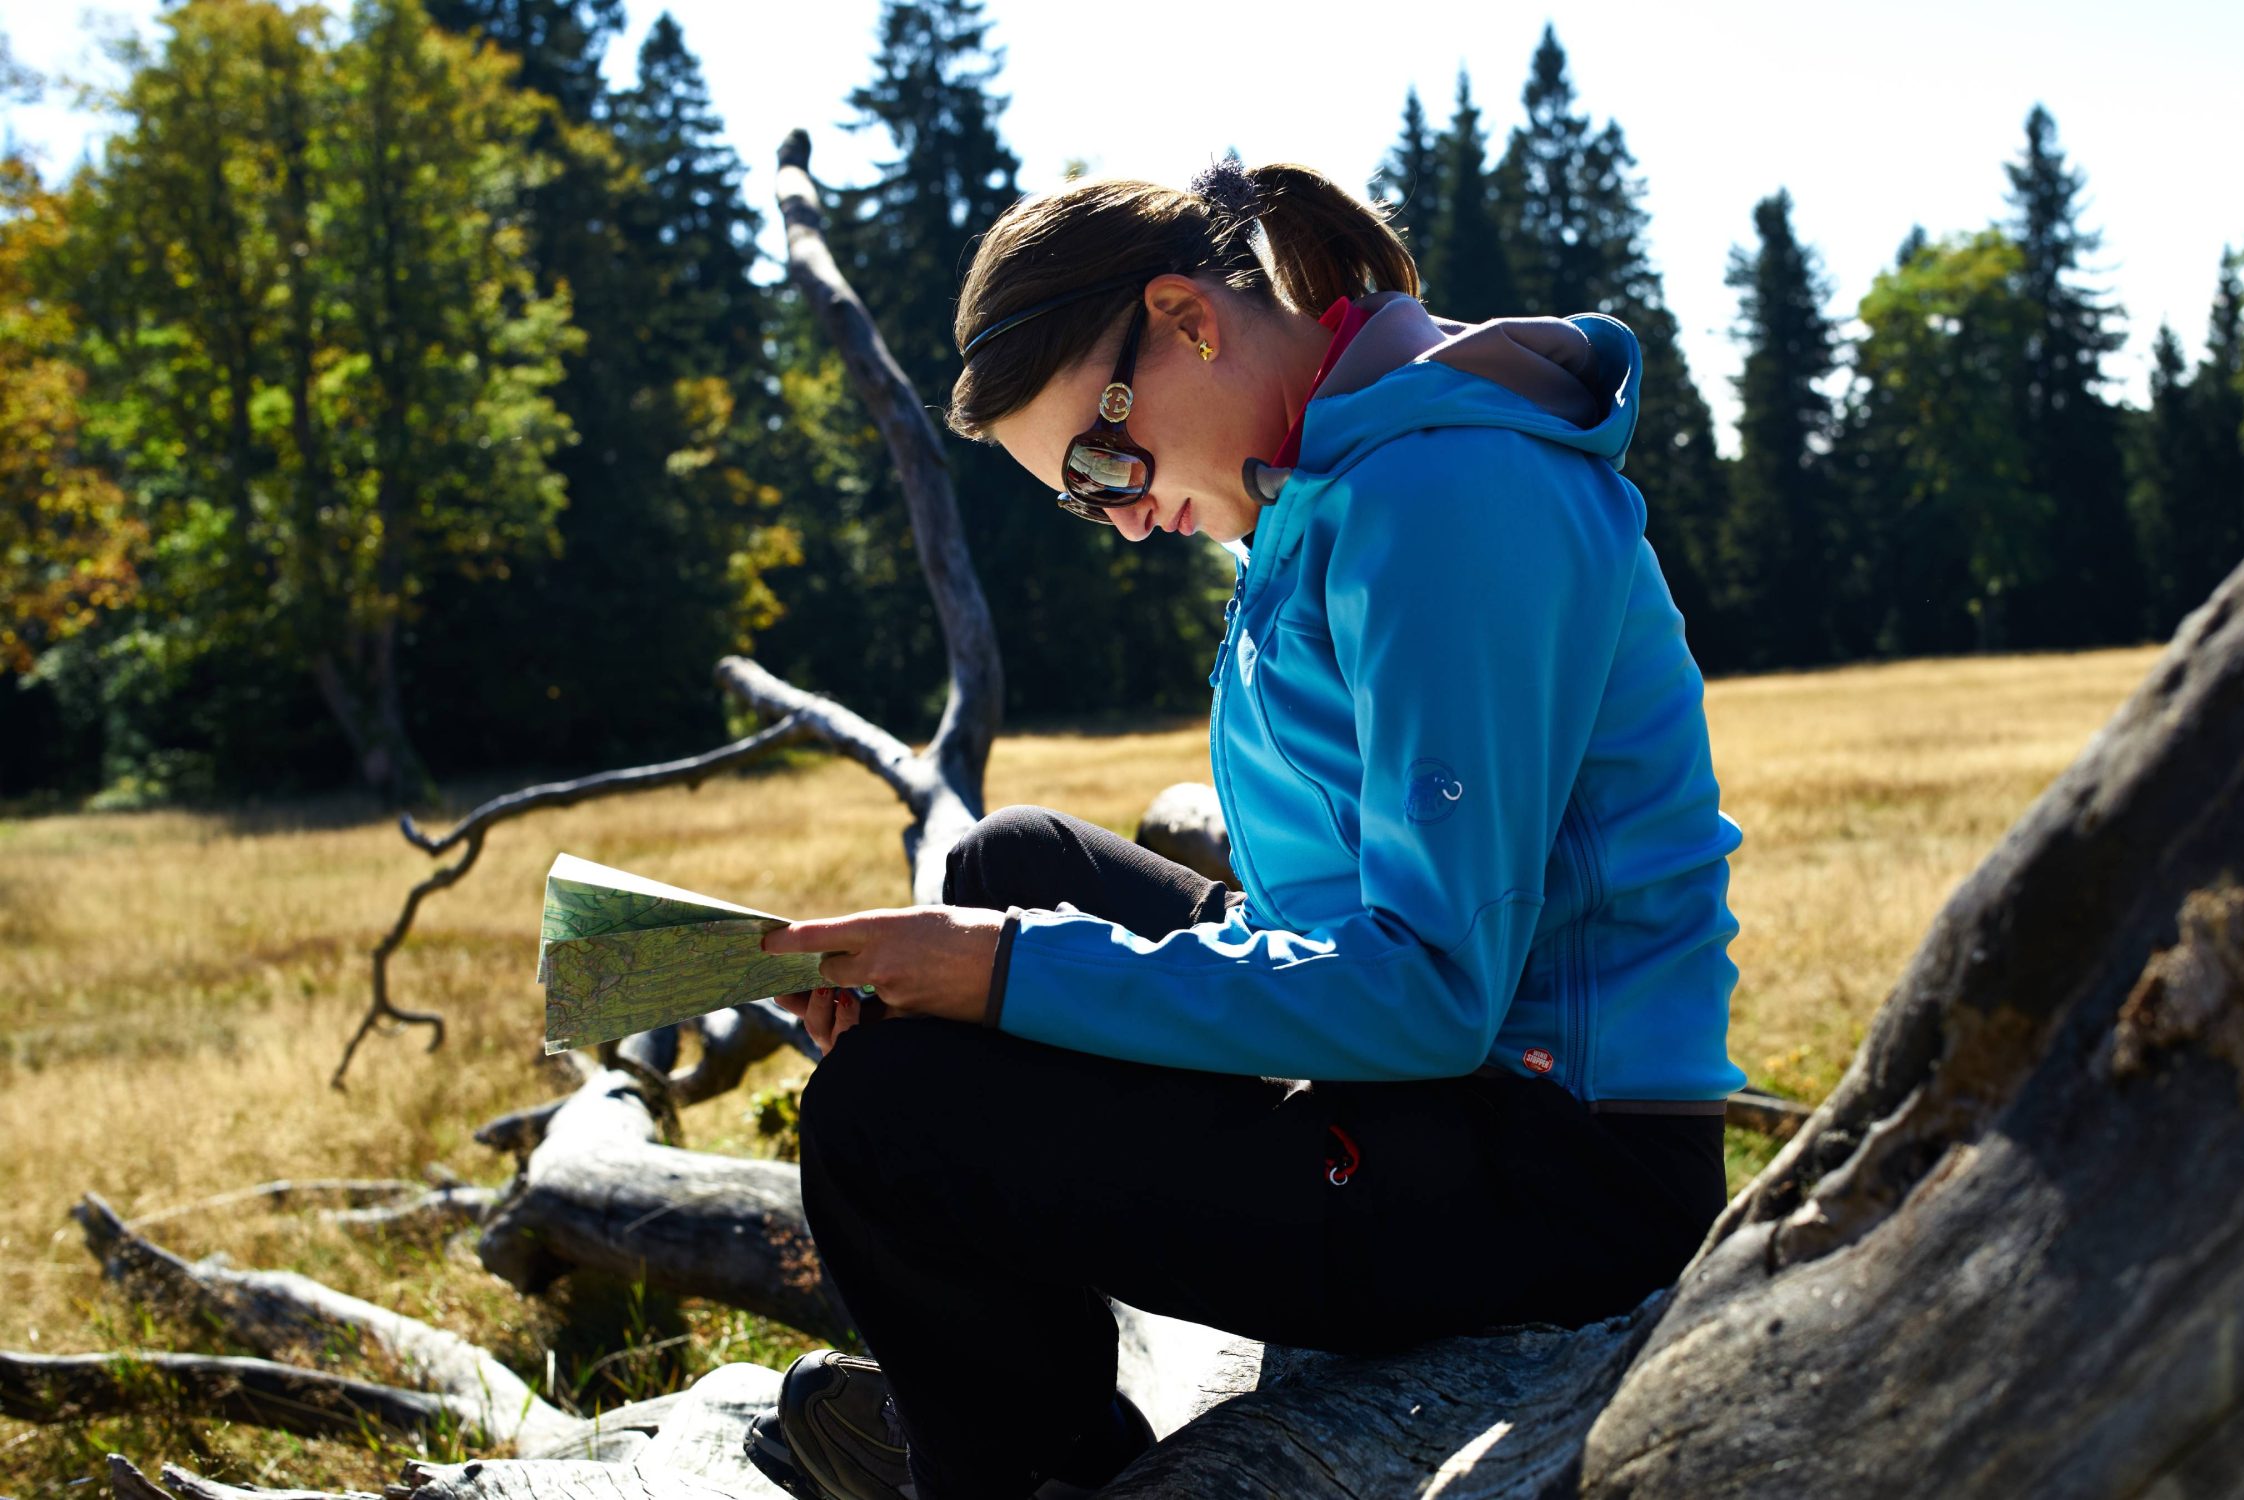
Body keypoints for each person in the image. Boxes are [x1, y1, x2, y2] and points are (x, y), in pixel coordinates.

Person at [739, 155, 1747, 1500]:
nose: (1127, 518)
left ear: (1188, 321)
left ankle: (1025, 1475)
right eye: (1084, 496)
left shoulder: (1446, 495)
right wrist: (993, 960)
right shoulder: (1339, 472)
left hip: (1553, 1171)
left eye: (1108, 457)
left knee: (886, 1113)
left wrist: (999, 973)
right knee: (1009, 861)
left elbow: (1439, 992)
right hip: (1431, 1085)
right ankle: (1023, 1428)